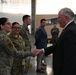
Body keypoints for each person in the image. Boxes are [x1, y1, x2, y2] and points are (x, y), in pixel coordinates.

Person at [34, 7, 76, 75]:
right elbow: (57, 46)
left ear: (66, 18)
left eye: (59, 18)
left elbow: (70, 58)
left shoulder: (70, 31)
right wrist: (42, 50)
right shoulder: (69, 29)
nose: (58, 20)